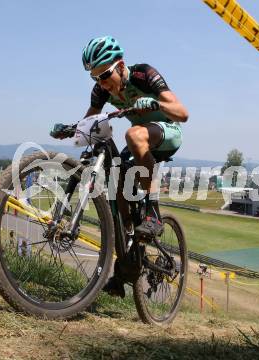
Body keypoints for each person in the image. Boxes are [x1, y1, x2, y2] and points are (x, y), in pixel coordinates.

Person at [52, 36, 189, 297]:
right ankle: (127, 260)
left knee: (134, 135)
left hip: (167, 133)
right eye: (95, 78)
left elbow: (182, 113)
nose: (101, 83)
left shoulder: (143, 74)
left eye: (104, 75)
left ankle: (153, 214)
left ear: (121, 65)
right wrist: (69, 129)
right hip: (140, 143)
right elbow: (89, 124)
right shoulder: (102, 89)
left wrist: (155, 104)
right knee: (116, 181)